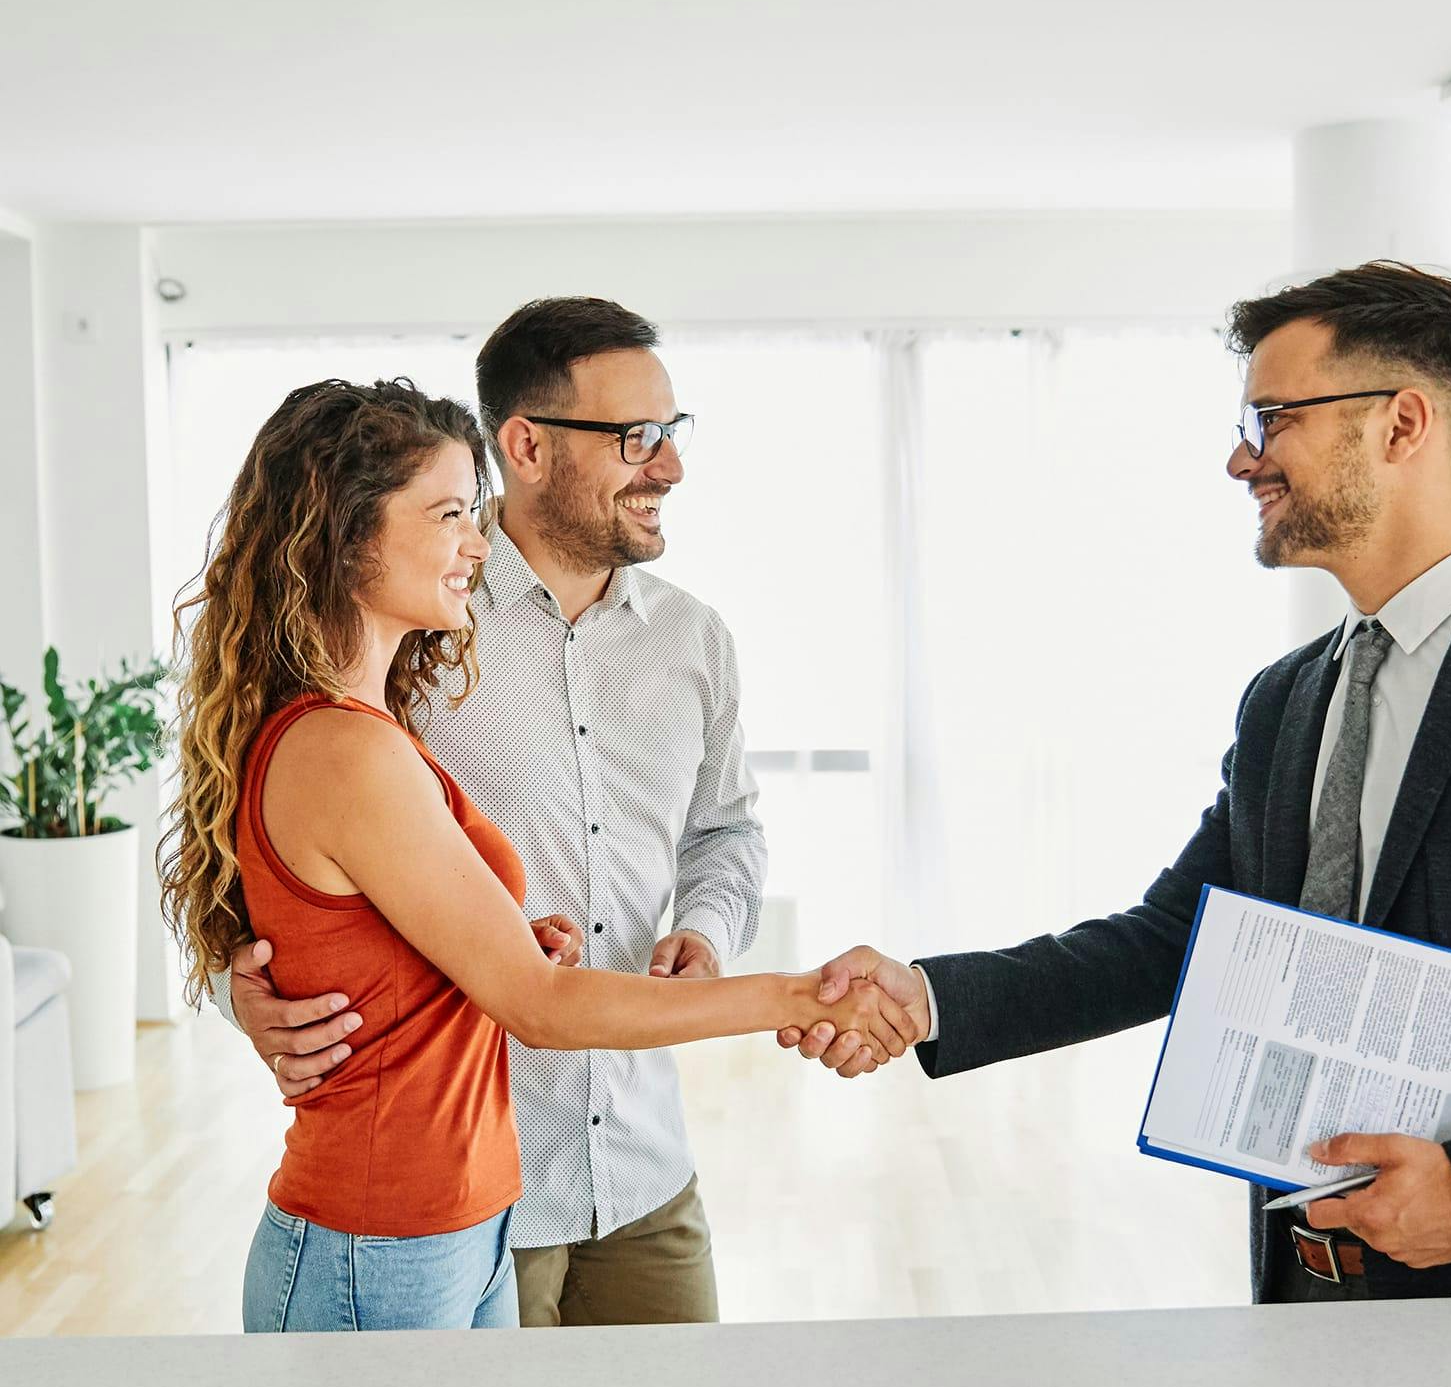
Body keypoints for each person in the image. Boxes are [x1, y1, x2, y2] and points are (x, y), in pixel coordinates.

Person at [789, 260, 1451, 1308]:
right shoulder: (1285, 700)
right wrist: (929, 997)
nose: (1241, 458)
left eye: (1272, 418)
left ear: (1401, 423)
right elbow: (1179, 938)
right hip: (1307, 1287)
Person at [161, 377, 909, 1332]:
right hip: (385, 1238)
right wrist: (800, 997)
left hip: (483, 1210)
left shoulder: (380, 723)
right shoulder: (347, 746)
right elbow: (539, 1005)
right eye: (448, 515)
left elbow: (394, 939)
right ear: (346, 534)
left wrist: (507, 934)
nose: (474, 543)